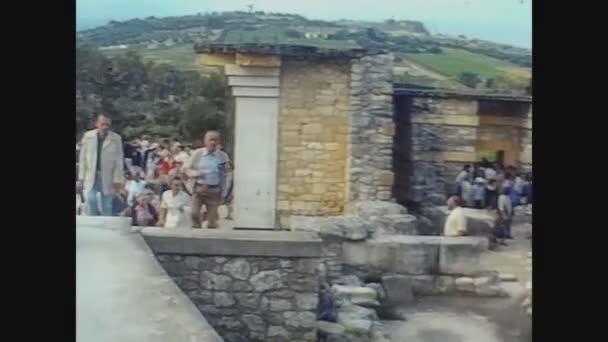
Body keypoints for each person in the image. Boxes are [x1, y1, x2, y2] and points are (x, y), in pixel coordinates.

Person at [77, 114, 125, 216]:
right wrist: (81, 177)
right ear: (97, 124)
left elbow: (119, 160)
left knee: (106, 204)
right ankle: (93, 222)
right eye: (103, 124)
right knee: (90, 199)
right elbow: (83, 158)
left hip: (108, 176)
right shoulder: (88, 136)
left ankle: (106, 226)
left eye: (108, 124)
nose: (105, 127)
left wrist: (118, 180)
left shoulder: (116, 138)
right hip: (91, 174)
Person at [186, 131, 233, 229]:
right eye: (210, 140)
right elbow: (186, 169)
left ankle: (211, 238)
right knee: (194, 214)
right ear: (205, 141)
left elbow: (228, 175)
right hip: (199, 189)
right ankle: (197, 232)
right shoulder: (197, 153)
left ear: (219, 142)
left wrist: (225, 193)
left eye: (215, 140)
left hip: (214, 191)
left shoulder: (223, 156)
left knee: (212, 221)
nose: (213, 143)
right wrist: (195, 174)